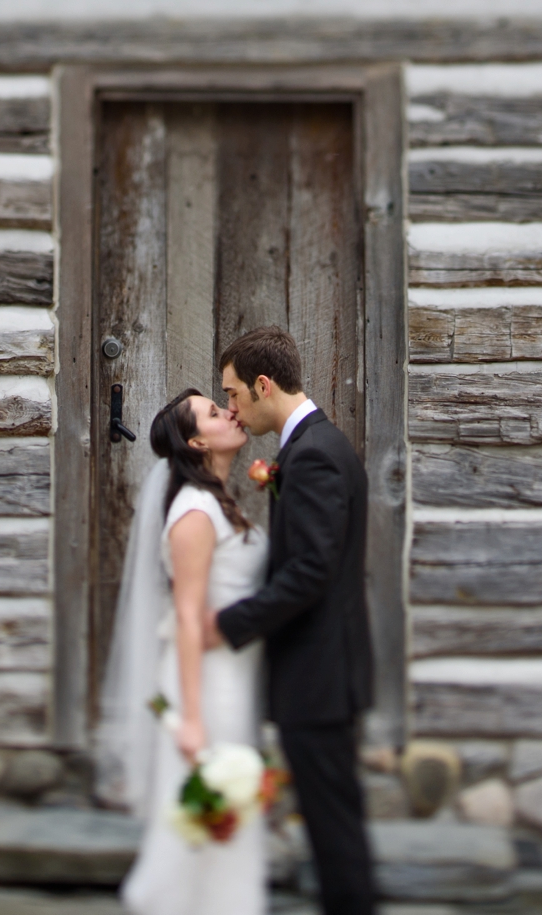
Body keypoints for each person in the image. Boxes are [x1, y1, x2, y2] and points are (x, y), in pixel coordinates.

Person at [211, 326, 377, 915]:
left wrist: (229, 624)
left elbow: (310, 573)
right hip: (324, 677)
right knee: (337, 826)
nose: (230, 408)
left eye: (232, 394)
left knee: (336, 837)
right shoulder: (316, 448)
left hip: (318, 679)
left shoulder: (312, 459)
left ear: (262, 385)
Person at [102, 388, 271, 915]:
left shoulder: (220, 501)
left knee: (225, 819)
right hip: (205, 684)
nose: (230, 413)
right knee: (203, 816)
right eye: (215, 413)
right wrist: (192, 719)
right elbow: (186, 617)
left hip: (232, 679)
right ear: (197, 441)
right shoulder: (194, 512)